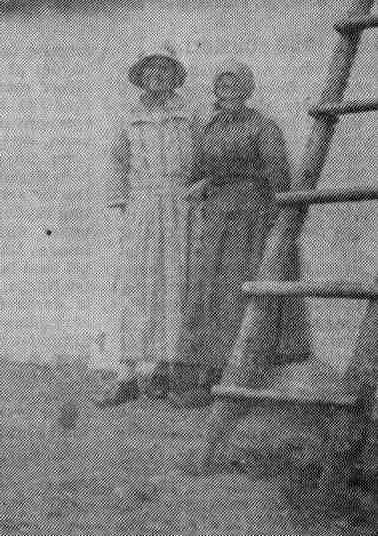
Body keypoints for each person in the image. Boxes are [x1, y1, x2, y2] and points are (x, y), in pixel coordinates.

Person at [170, 59, 309, 407]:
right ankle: (201, 376)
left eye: (233, 84)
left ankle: (233, 377)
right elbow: (200, 171)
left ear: (247, 89)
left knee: (236, 291)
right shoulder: (210, 127)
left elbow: (278, 175)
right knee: (206, 291)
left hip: (250, 217)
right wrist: (204, 184)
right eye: (221, 84)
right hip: (216, 216)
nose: (226, 90)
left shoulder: (263, 126)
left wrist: (278, 219)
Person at [96, 46, 202, 407]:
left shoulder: (190, 114)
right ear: (140, 76)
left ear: (175, 75)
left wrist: (198, 191)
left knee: (176, 282)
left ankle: (164, 370)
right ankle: (126, 373)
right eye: (150, 68)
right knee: (137, 284)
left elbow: (204, 158)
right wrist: (121, 205)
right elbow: (117, 161)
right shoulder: (129, 115)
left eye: (164, 68)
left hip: (181, 204)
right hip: (142, 205)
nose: (157, 74)